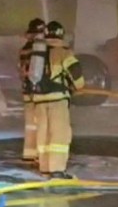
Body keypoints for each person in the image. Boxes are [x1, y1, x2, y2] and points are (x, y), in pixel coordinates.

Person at [27, 20, 85, 179]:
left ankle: (45, 168)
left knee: (43, 135)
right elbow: (76, 72)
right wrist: (79, 87)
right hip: (57, 100)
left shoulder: (37, 52)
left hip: (38, 100)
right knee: (59, 135)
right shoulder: (63, 52)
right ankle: (57, 169)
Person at [19, 17, 47, 165]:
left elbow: (22, 70)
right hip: (40, 92)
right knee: (43, 124)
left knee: (30, 125)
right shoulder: (41, 48)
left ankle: (29, 154)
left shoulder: (24, 48)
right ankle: (41, 156)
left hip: (27, 91)